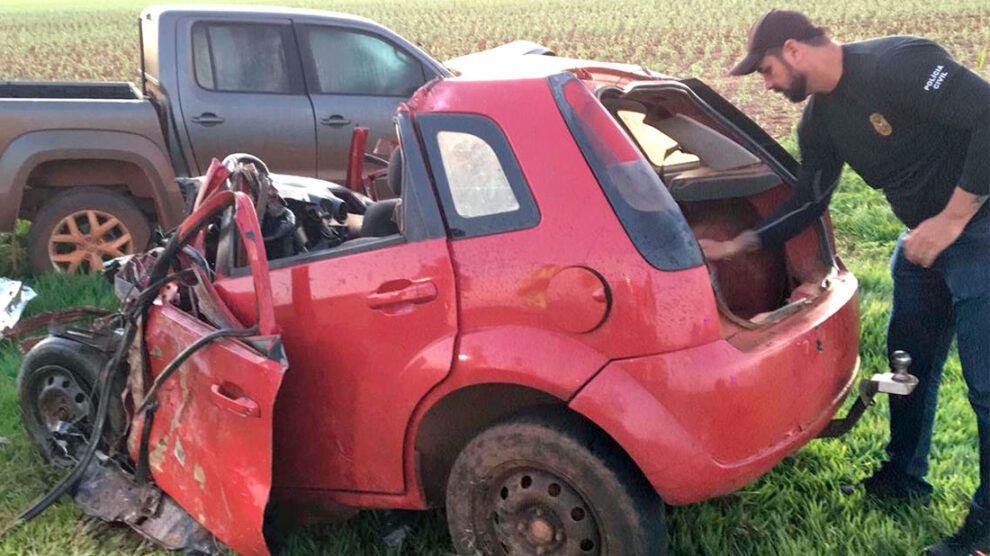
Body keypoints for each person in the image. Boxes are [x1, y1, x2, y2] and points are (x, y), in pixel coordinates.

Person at [706, 9, 989, 556]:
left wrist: (952, 220)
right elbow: (810, 198)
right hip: (925, 243)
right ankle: (902, 478)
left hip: (980, 227)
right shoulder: (821, 121)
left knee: (986, 388)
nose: (767, 84)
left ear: (793, 50)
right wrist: (741, 243)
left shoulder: (896, 64)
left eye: (766, 70)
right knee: (908, 364)